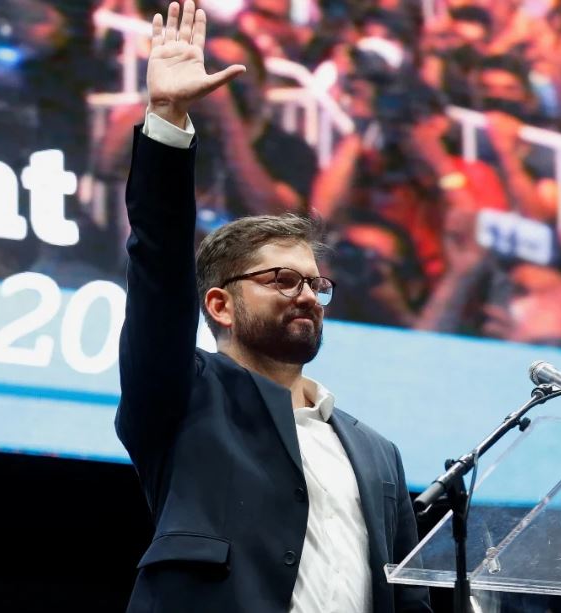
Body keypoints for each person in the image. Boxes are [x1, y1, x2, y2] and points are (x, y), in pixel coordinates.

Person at [115, 2, 432, 612]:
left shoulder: (379, 453)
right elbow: (156, 266)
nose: (307, 294)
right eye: (282, 279)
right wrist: (168, 118)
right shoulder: (185, 396)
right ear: (220, 304)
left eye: (315, 284)